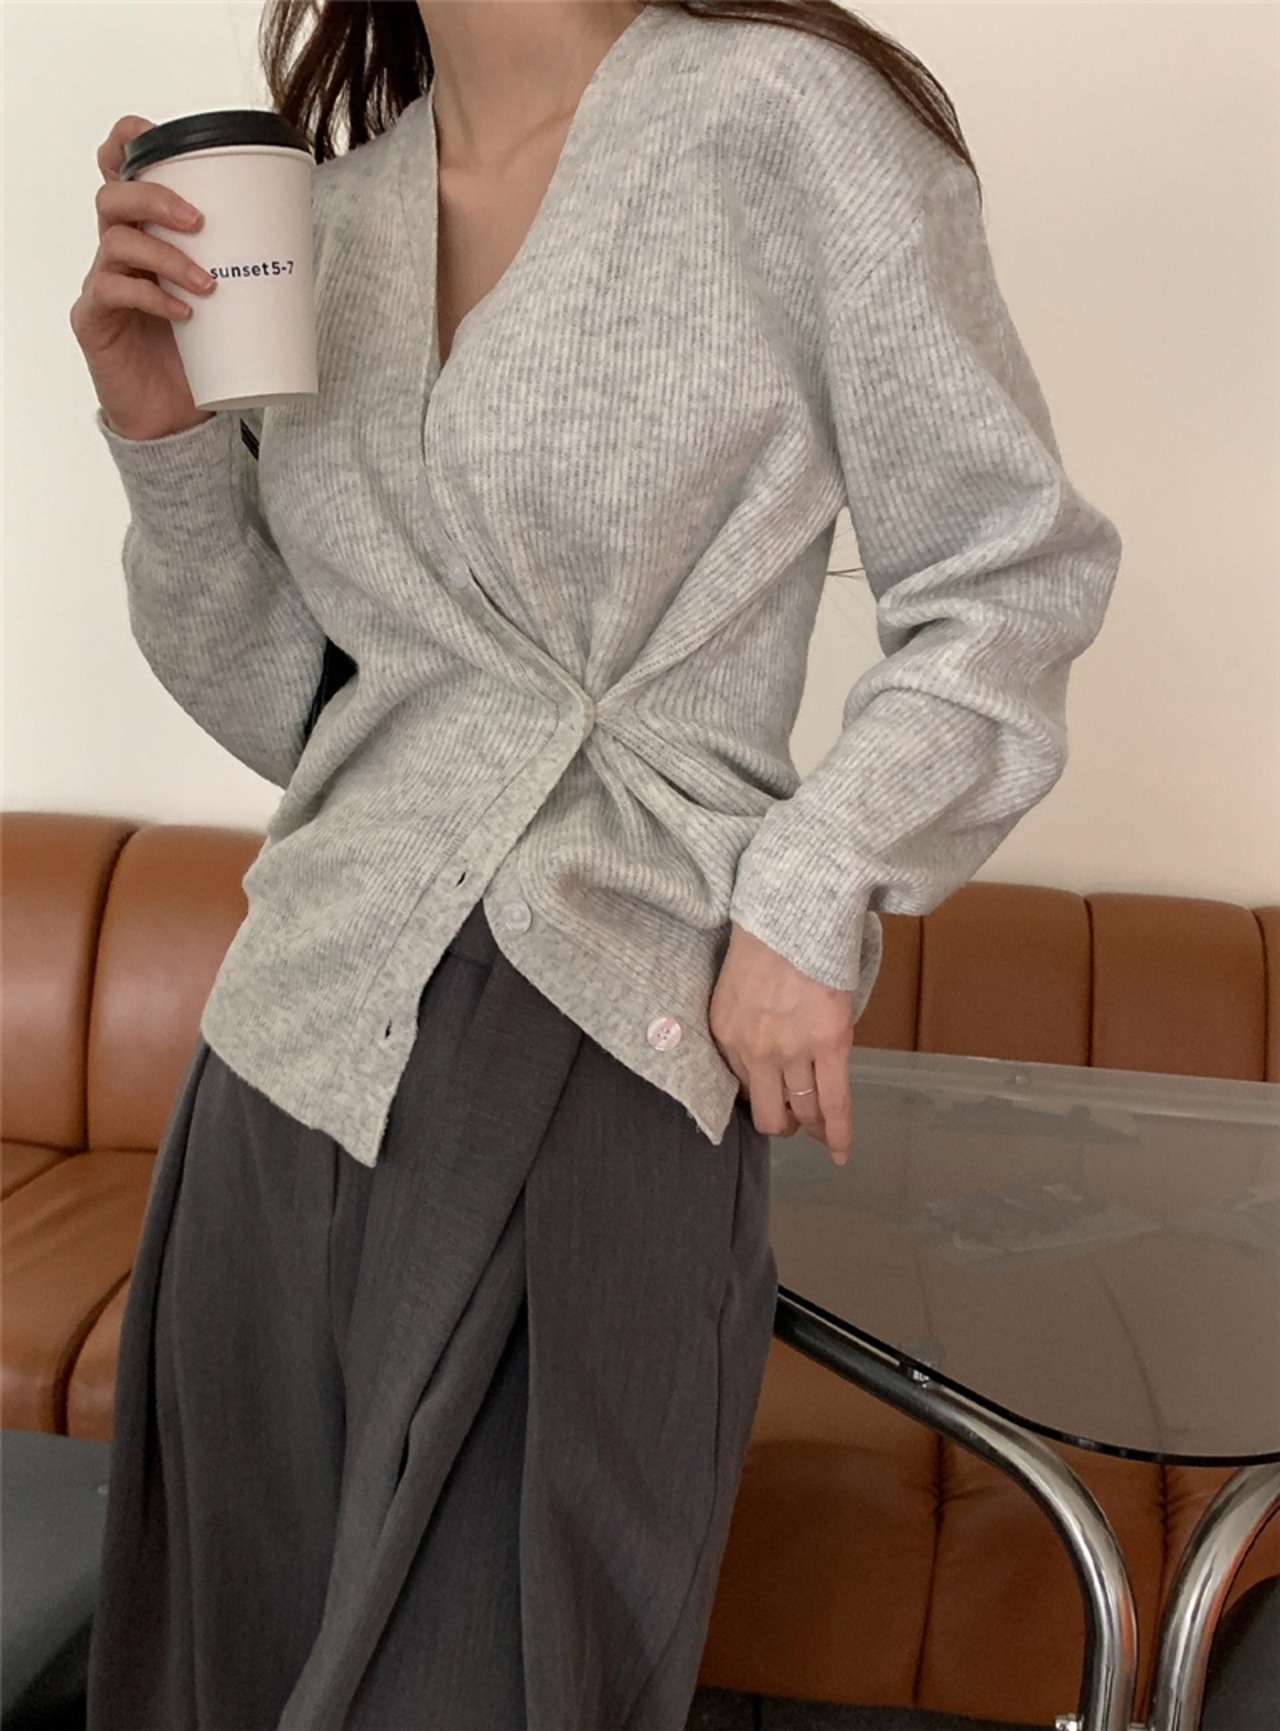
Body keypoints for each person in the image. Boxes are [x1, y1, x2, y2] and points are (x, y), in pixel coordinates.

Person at [69, 1, 1123, 1726]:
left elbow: (1012, 576)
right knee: (215, 1682)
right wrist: (163, 439)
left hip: (596, 1032)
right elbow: (307, 708)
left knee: (500, 1682)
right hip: (286, 1053)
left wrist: (810, 893)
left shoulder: (786, 124)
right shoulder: (331, 214)